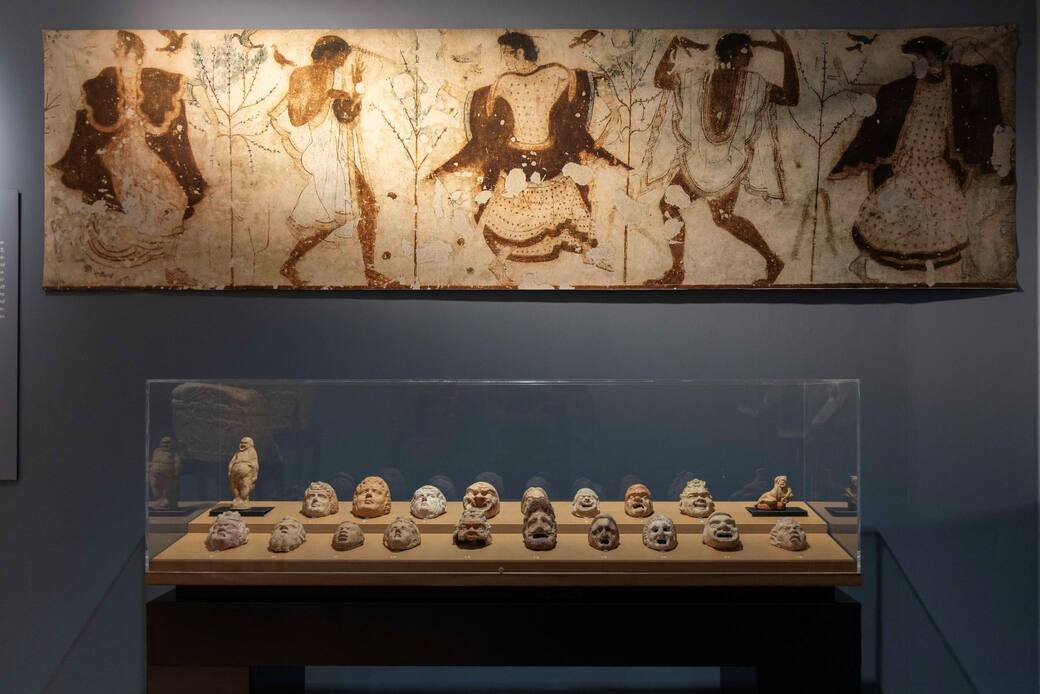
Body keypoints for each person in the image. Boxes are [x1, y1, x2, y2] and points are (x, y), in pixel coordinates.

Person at [432, 31, 627, 284]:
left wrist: (614, 108)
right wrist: (449, 90)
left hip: (549, 156)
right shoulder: (504, 82)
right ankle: (498, 263)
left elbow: (590, 79)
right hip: (517, 159)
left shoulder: (555, 73)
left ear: (520, 52)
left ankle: (588, 252)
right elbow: (480, 104)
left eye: (506, 54)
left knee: (571, 205)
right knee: (515, 219)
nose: (504, 60)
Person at [830, 36, 1008, 281]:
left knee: (945, 207)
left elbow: (981, 76)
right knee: (897, 210)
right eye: (912, 62)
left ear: (932, 59)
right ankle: (861, 263)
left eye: (917, 61)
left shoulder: (953, 82)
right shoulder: (911, 89)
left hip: (932, 160)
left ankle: (965, 266)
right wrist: (902, 159)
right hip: (913, 162)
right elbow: (905, 127)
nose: (914, 66)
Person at [643, 31, 797, 286]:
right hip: (701, 160)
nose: (751, 55)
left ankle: (771, 260)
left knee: (718, 217)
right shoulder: (697, 79)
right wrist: (673, 44)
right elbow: (661, 80)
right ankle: (678, 270)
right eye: (746, 50)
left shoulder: (754, 84)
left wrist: (787, 53)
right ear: (732, 54)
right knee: (677, 208)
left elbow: (791, 98)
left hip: (727, 163)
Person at [51, 31, 207, 266]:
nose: (123, 57)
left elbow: (162, 107)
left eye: (128, 53)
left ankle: (157, 234)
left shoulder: (150, 80)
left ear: (137, 55)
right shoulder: (107, 80)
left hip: (140, 145)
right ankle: (141, 232)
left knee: (168, 189)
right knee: (131, 181)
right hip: (119, 148)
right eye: (120, 53)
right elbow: (97, 111)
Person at [269, 35, 391, 287]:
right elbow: (296, 118)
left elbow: (348, 114)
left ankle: (367, 271)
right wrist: (326, 95)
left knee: (351, 212)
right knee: (342, 215)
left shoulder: (335, 76)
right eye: (341, 56)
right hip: (323, 153)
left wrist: (358, 85)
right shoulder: (302, 75)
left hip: (338, 152)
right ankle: (367, 272)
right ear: (328, 53)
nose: (343, 62)